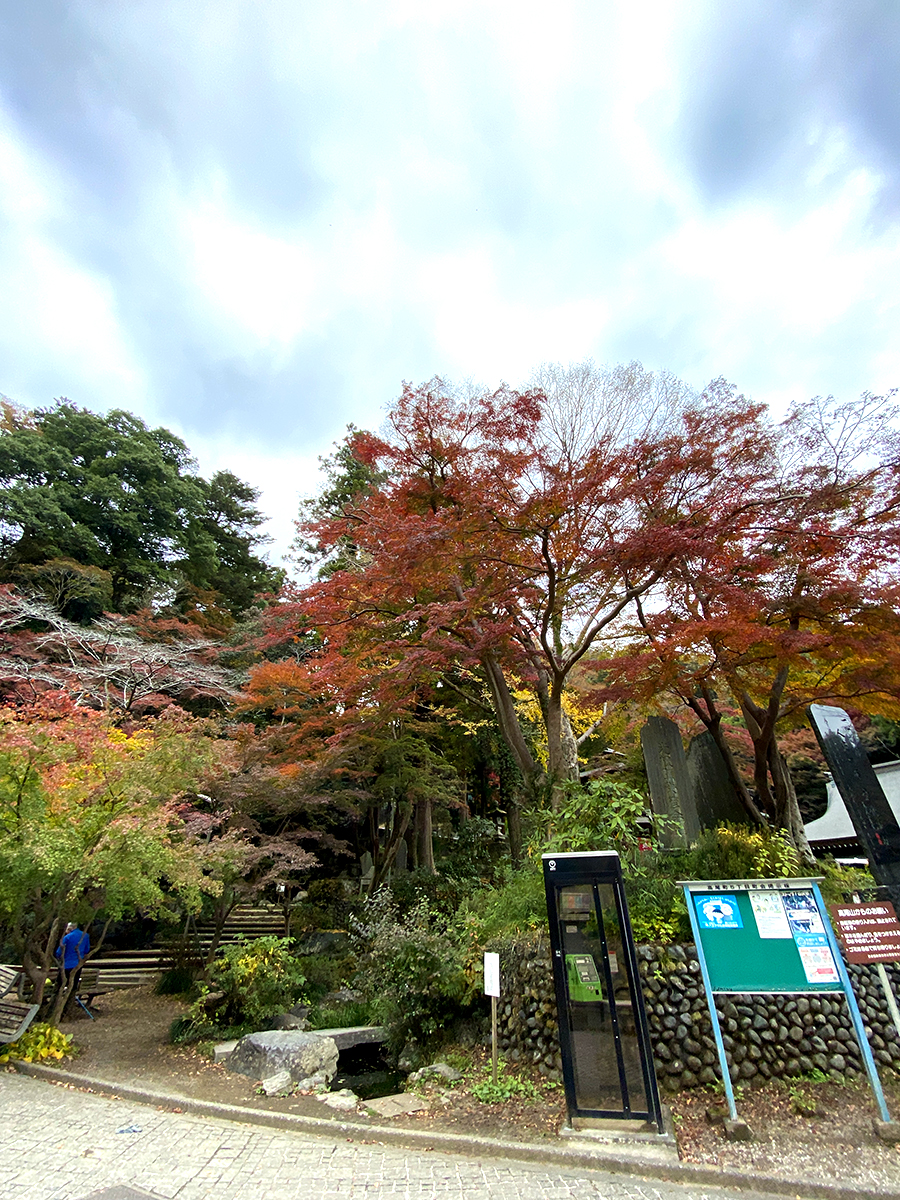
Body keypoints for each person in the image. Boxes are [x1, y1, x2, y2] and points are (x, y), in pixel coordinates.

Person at [54, 922, 90, 1002]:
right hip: (78, 964)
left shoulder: (67, 937)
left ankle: (58, 1002)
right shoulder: (85, 935)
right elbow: (87, 950)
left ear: (70, 928)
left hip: (66, 965)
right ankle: (71, 1001)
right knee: (73, 985)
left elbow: (58, 952)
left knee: (60, 985)